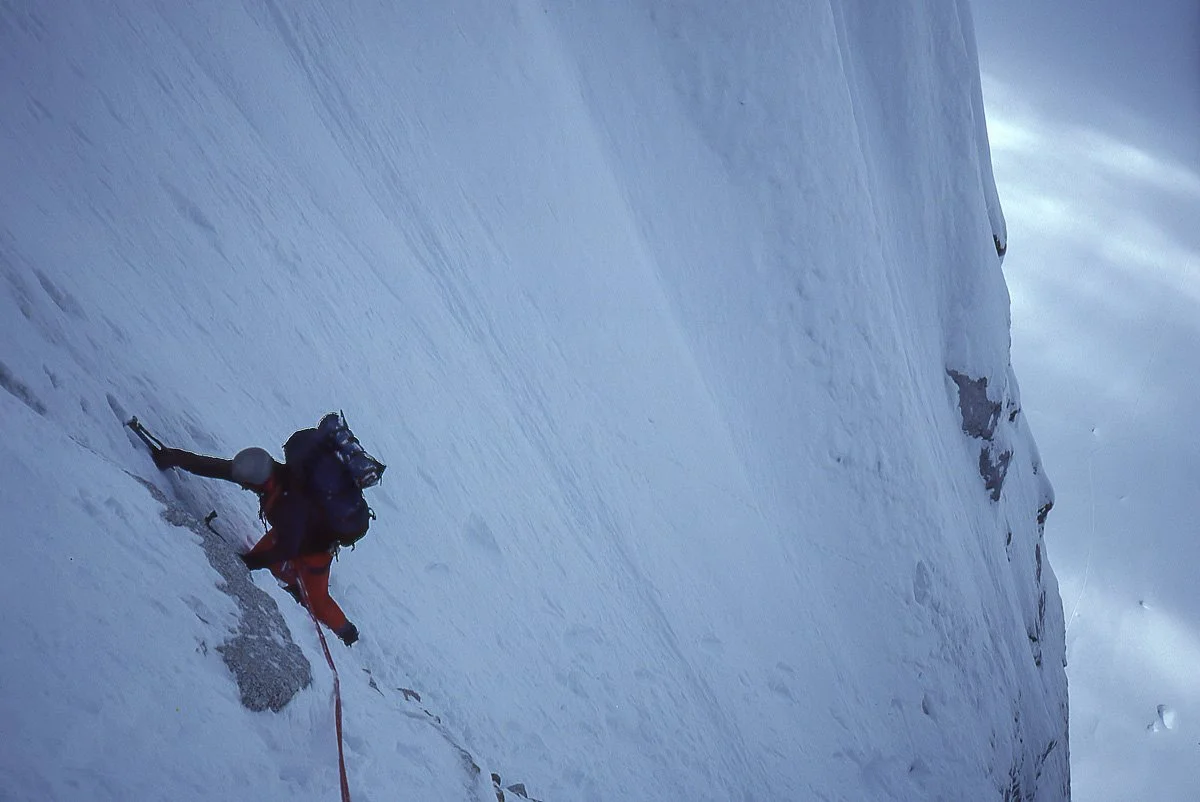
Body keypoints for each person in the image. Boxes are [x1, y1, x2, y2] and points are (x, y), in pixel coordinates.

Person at [152, 433, 361, 647]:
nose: (246, 486)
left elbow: (286, 550)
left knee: (318, 601)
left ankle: (347, 632)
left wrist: (247, 563)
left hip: (315, 548)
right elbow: (221, 469)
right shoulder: (272, 475)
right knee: (261, 562)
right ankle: (294, 585)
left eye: (248, 484)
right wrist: (178, 457)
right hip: (291, 531)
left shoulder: (288, 505)